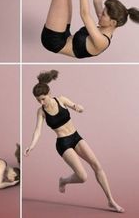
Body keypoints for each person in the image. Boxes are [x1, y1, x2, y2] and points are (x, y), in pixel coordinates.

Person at [24, 70, 124, 212]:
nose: (41, 102)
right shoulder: (41, 112)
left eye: (43, 98)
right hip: (63, 143)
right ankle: (63, 181)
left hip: (76, 137)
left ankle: (111, 201)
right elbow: (38, 130)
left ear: (49, 93)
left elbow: (76, 106)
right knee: (83, 177)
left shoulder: (61, 100)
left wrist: (79, 108)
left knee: (97, 165)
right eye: (38, 100)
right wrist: (31, 146)